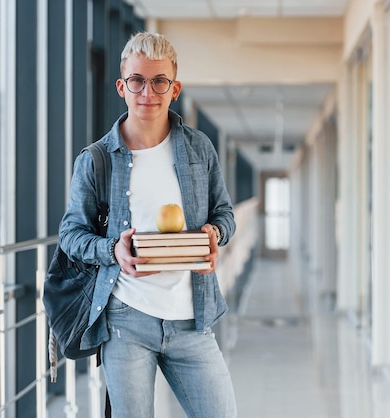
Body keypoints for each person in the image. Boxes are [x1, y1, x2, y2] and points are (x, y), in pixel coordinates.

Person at [58, 32, 238, 418]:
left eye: (160, 82)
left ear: (175, 89)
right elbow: (71, 235)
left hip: (192, 321)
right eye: (138, 81)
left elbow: (224, 213)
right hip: (126, 322)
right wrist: (112, 250)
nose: (148, 93)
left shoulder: (198, 149)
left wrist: (215, 234)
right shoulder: (96, 160)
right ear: (123, 86)